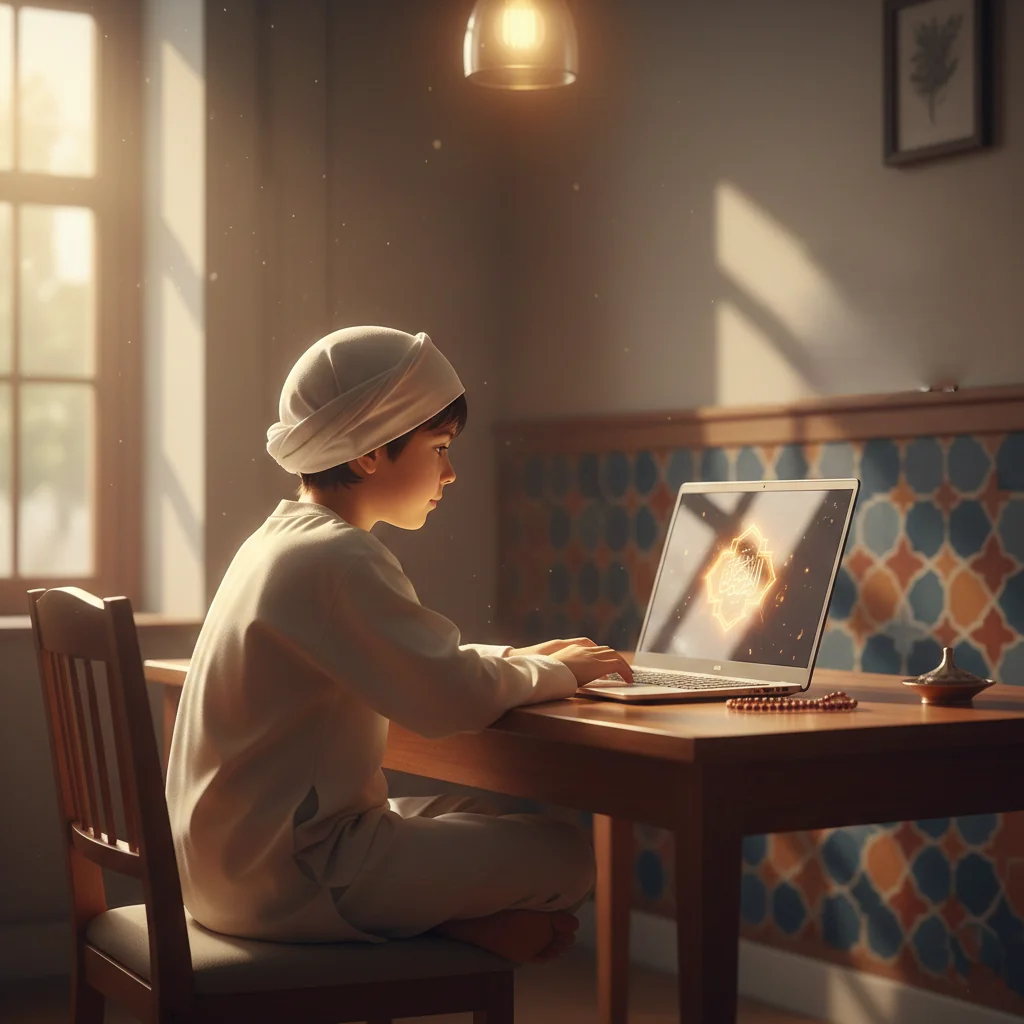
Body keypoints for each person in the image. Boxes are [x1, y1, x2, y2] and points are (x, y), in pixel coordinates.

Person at [165, 326, 634, 964]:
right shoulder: (339, 557)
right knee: (568, 855)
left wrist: (531, 662)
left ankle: (445, 922)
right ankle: (449, 926)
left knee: (472, 812)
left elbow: (417, 660)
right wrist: (557, 674)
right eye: (438, 446)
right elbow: (448, 700)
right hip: (292, 875)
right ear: (368, 454)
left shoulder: (278, 542)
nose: (450, 471)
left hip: (224, 868)